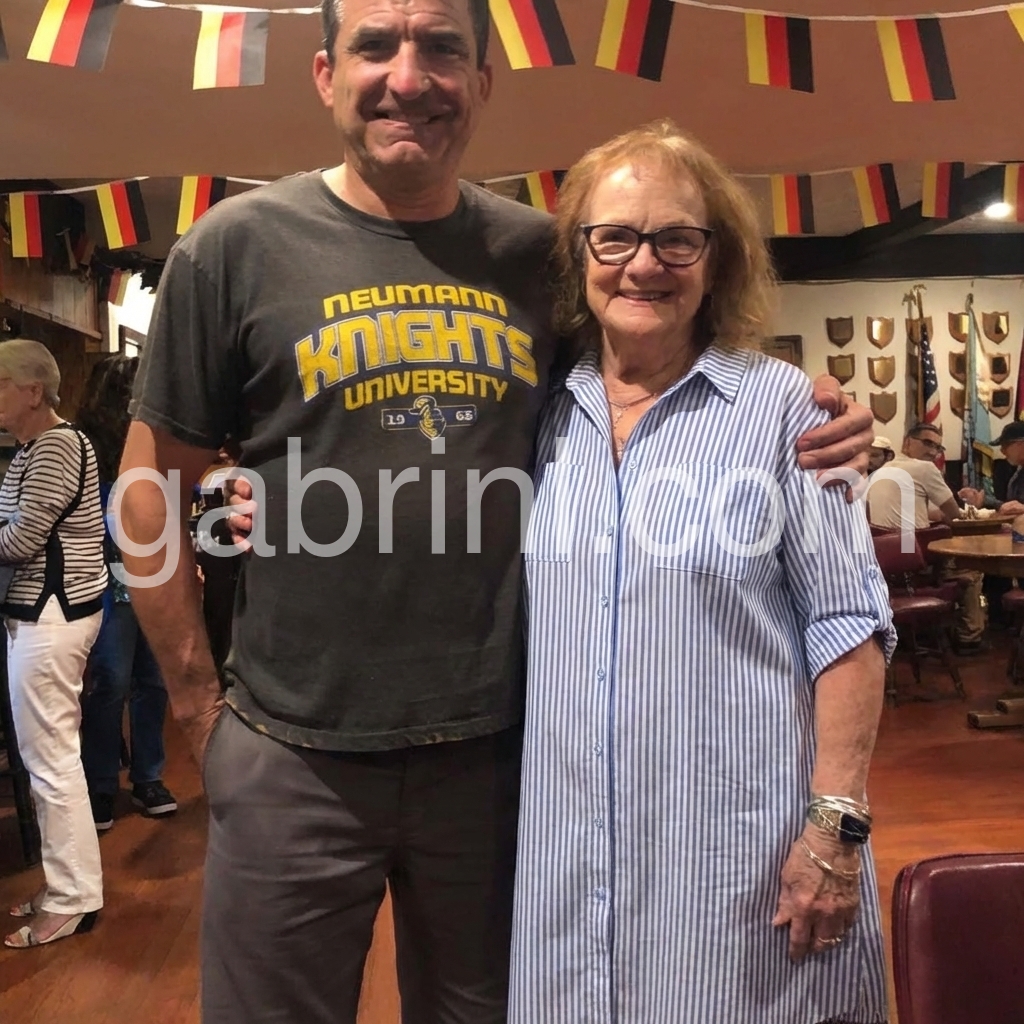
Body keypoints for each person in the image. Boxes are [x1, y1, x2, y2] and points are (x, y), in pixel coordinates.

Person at [118, 0, 874, 1019]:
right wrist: (198, 712)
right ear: (325, 74)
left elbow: (652, 357)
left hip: (498, 761)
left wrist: (818, 402)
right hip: (290, 750)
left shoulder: (537, 257)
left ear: (481, 81)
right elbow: (148, 492)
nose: (408, 77)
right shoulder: (232, 247)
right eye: (375, 46)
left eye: (441, 48)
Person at [507, 121, 894, 1024]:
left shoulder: (787, 411)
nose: (644, 264)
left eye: (677, 239)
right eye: (616, 237)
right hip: (568, 866)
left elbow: (848, 625)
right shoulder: (534, 413)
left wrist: (834, 829)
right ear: (579, 255)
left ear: (717, 261)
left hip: (737, 860)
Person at [0, 339, 106, 948]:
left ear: (33, 391)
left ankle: (72, 899)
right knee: (49, 757)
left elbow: (19, 541)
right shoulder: (35, 448)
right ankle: (66, 884)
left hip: (51, 615)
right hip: (46, 615)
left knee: (51, 761)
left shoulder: (56, 446)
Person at [78, 355, 177, 832]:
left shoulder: (154, 443)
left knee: (153, 681)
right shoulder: (87, 448)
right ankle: (100, 782)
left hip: (152, 577)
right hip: (107, 581)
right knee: (110, 682)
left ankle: (148, 777)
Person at [868, 422, 985, 648]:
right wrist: (974, 507)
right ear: (907, 443)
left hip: (885, 567)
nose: (933, 452)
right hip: (917, 563)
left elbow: (925, 511)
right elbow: (954, 516)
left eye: (938, 447)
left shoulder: (879, 473)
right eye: (927, 443)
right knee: (972, 569)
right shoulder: (924, 469)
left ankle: (924, 629)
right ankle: (969, 638)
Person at [959, 419, 1024, 516]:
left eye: (1005, 445)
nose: (1002, 451)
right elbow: (1011, 507)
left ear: (1021, 444)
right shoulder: (1018, 472)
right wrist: (983, 500)